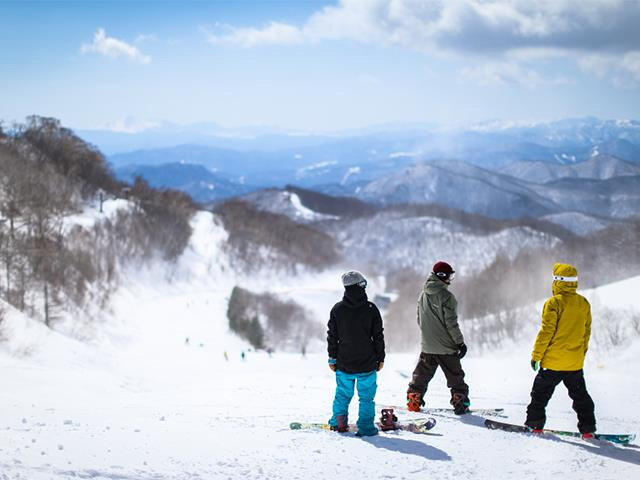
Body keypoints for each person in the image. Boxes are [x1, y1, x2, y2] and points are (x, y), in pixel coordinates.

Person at [525, 263, 596, 438]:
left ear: (557, 281)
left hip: (553, 364)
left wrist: (536, 356)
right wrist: (580, 354)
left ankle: (535, 426)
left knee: (539, 395)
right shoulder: (583, 303)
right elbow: (586, 333)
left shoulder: (554, 303)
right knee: (581, 398)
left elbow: (546, 332)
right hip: (574, 364)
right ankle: (588, 430)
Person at [406, 261, 470, 414]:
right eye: (450, 276)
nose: (450, 279)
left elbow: (419, 319)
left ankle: (414, 399)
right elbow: (451, 324)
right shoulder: (447, 297)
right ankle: (460, 401)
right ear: (443, 276)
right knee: (456, 377)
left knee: (421, 375)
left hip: (428, 345)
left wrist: (429, 335)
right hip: (446, 347)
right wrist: (460, 343)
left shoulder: (423, 294)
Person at [327, 271, 385, 436]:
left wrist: (332, 358)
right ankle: (366, 427)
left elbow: (332, 337)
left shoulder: (337, 309)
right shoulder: (371, 309)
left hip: (344, 363)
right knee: (366, 398)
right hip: (367, 363)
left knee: (343, 396)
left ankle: (338, 423)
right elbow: (378, 336)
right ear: (360, 286)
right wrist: (380, 357)